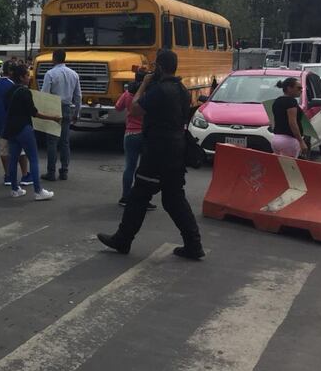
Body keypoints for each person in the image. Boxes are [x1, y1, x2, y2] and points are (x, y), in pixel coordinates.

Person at [97, 50, 205, 260]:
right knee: (173, 198)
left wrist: (144, 85)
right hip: (176, 149)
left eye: (155, 66)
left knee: (138, 196)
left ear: (161, 68)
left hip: (158, 151)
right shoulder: (181, 89)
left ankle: (123, 239)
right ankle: (194, 243)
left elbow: (135, 109)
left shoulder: (160, 90)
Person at [3, 63, 60, 200]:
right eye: (27, 75)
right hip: (24, 128)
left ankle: (15, 189)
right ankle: (38, 191)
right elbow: (34, 113)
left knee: (13, 159)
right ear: (22, 77)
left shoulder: (9, 91)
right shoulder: (25, 92)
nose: (29, 78)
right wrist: (53, 118)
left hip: (11, 129)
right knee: (33, 158)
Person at [115, 69, 155, 211]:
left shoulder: (127, 93)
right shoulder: (149, 94)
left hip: (130, 134)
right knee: (145, 170)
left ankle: (125, 197)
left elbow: (117, 108)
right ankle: (143, 199)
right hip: (145, 135)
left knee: (129, 167)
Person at [0, 61, 33, 187]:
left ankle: (8, 175)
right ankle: (25, 175)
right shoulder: (14, 86)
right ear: (11, 72)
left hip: (1, 123)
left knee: (4, 150)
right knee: (21, 151)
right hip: (15, 123)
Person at [40, 49, 81, 182]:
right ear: (64, 58)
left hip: (53, 107)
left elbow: (44, 94)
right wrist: (77, 112)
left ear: (53, 58)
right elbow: (78, 96)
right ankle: (64, 171)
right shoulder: (74, 74)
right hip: (67, 108)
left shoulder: (50, 74)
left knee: (52, 142)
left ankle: (51, 172)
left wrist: (41, 113)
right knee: (65, 142)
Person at [271, 77, 308, 158]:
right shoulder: (291, 102)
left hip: (275, 139)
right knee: (290, 168)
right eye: (298, 88)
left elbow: (274, 120)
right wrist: (301, 142)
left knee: (279, 166)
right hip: (288, 141)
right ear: (289, 88)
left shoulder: (277, 101)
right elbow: (293, 123)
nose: (301, 90)